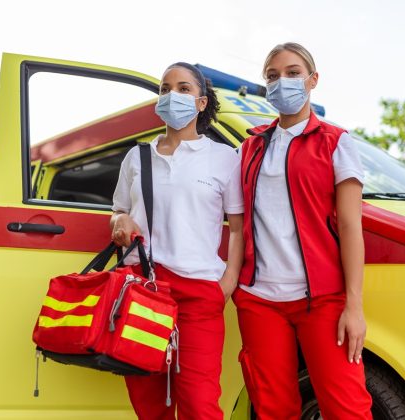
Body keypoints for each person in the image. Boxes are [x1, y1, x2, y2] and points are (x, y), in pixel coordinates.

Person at [234, 42, 373, 419]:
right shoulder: (250, 147)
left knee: (348, 409)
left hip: (323, 299)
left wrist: (354, 306)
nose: (283, 82)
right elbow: (232, 217)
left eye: (293, 73)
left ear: (313, 80)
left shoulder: (336, 142)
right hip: (259, 300)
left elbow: (350, 225)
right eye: (273, 76)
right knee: (272, 409)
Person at [110, 62, 243, 420]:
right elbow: (119, 210)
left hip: (200, 294)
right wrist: (120, 221)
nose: (172, 95)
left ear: (201, 103)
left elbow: (238, 227)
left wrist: (226, 284)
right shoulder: (136, 157)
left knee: (201, 405)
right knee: (149, 405)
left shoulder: (224, 158)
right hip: (143, 289)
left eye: (183, 89)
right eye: (165, 89)